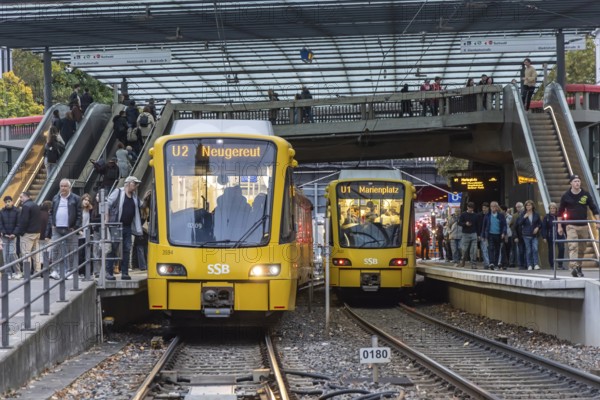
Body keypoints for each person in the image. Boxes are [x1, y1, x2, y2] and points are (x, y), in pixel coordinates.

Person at [557, 174, 600, 277]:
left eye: (578, 181)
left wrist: (598, 221)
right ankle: (574, 267)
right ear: (571, 183)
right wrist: (559, 226)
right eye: (575, 181)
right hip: (571, 225)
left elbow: (593, 208)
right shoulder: (566, 196)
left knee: (582, 248)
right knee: (573, 246)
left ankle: (579, 267)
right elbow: (560, 212)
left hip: (583, 225)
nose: (577, 183)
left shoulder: (585, 195)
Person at [105, 176, 145, 280]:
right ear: (128, 183)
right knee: (113, 248)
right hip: (116, 225)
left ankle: (125, 272)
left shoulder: (135, 197)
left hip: (127, 227)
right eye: (135, 183)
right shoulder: (118, 192)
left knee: (127, 249)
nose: (136, 186)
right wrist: (106, 219)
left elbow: (142, 205)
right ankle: (108, 272)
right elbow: (107, 204)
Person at [48, 179, 82, 280]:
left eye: (65, 186)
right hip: (57, 228)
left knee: (70, 250)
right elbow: (51, 212)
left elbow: (79, 214)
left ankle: (69, 271)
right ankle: (55, 271)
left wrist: (75, 227)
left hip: (69, 229)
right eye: (61, 186)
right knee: (54, 249)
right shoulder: (55, 198)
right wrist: (52, 224)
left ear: (69, 187)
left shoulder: (75, 198)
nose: (63, 188)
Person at [15, 191, 41, 278]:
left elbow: (24, 221)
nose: (20, 199)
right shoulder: (36, 205)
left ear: (26, 197)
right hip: (37, 232)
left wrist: (20, 232)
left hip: (28, 234)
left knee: (26, 254)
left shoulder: (26, 206)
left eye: (21, 197)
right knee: (35, 253)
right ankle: (37, 272)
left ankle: (26, 273)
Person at [480, 201, 507, 270]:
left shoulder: (501, 215)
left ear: (497, 207)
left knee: (498, 249)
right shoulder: (487, 215)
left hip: (499, 234)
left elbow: (504, 225)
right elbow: (484, 226)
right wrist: (483, 235)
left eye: (495, 206)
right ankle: (491, 263)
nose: (493, 208)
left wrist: (503, 233)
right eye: (492, 206)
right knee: (491, 248)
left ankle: (496, 263)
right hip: (490, 234)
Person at [518, 200, 542, 270]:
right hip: (526, 235)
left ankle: (536, 264)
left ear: (532, 206)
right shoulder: (523, 214)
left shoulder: (536, 214)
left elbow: (540, 223)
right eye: (527, 205)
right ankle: (529, 265)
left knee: (535, 249)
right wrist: (524, 217)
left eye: (530, 205)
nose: (528, 206)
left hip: (534, 235)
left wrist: (537, 228)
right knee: (528, 250)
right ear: (525, 206)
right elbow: (519, 223)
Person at [542, 202, 566, 270]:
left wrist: (566, 234)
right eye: (551, 208)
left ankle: (560, 264)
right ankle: (552, 265)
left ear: (556, 209)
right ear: (549, 209)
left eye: (554, 208)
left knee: (561, 249)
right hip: (550, 236)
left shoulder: (559, 216)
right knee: (551, 251)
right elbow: (544, 227)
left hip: (560, 235)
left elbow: (564, 225)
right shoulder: (546, 217)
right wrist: (544, 237)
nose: (552, 209)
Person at [0, 196, 20, 279]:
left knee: (12, 253)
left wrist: (14, 234)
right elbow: (0, 224)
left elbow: (18, 224)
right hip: (5, 236)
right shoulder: (2, 212)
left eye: (9, 201)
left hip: (13, 236)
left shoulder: (17, 211)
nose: (7, 203)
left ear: (12, 202)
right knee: (5, 255)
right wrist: (4, 233)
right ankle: (8, 272)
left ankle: (17, 271)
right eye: (6, 202)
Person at [457, 202, 478, 269]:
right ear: (467, 207)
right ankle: (462, 261)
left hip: (474, 233)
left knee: (474, 250)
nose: (470, 210)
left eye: (472, 208)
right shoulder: (463, 214)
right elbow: (459, 223)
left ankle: (473, 264)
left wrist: (478, 234)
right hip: (465, 234)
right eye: (469, 208)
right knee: (464, 249)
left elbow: (478, 224)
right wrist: (465, 224)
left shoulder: (475, 215)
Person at [511, 201, 526, 269]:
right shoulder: (515, 216)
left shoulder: (526, 214)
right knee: (520, 251)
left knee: (527, 250)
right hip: (518, 235)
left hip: (526, 235)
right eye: (517, 207)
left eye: (520, 207)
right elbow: (513, 226)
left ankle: (526, 264)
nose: (518, 208)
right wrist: (515, 236)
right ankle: (520, 264)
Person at [477, 202, 490, 266]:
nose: (484, 209)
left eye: (485, 208)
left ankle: (489, 262)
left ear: (488, 208)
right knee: (484, 249)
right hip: (482, 234)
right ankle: (487, 263)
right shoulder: (479, 215)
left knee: (489, 249)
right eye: (483, 208)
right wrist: (479, 234)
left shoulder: (491, 215)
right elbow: (478, 225)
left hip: (490, 234)